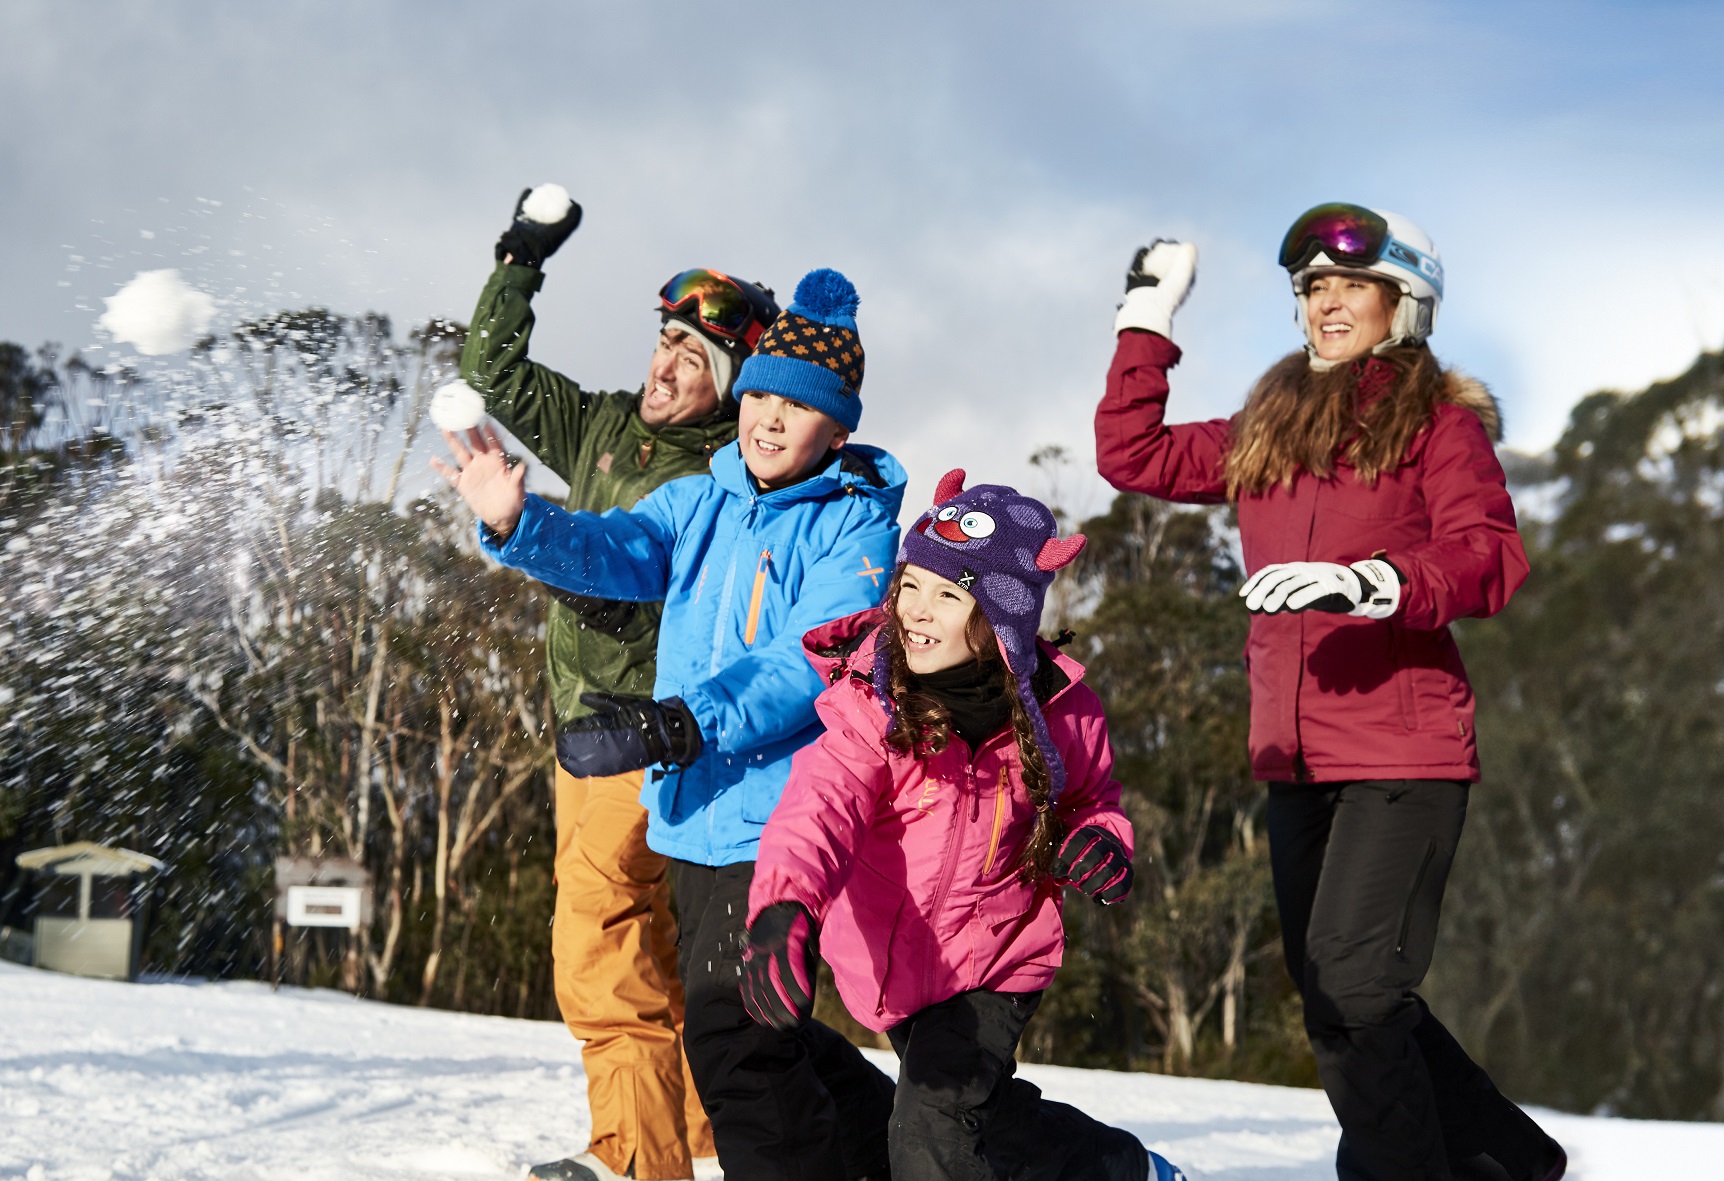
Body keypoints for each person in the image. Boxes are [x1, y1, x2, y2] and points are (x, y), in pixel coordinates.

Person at [1092, 206, 1564, 1181]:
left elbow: (1489, 556)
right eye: (1313, 288)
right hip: (1293, 756)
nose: (1327, 303)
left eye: (1352, 285)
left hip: (1405, 753)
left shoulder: (1438, 428)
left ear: (1406, 302)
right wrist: (1148, 316)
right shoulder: (1270, 430)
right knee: (1336, 993)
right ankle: (1512, 1157)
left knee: (1356, 985)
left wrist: (1374, 581)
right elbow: (1132, 455)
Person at [434, 267, 903, 1181]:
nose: (769, 419)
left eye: (796, 406)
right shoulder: (701, 500)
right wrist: (520, 521)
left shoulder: (854, 530)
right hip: (694, 818)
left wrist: (683, 723)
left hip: (784, 822)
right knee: (755, 1029)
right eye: (760, 395)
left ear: (838, 428)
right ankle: (901, 1148)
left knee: (738, 1047)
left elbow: (810, 659)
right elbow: (619, 548)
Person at [448, 187, 783, 1181]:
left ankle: (638, 1157)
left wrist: (524, 527)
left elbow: (625, 574)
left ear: (729, 388)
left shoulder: (717, 478)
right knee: (648, 939)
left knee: (599, 933)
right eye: (667, 342)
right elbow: (491, 370)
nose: (666, 366)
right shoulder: (600, 422)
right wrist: (520, 259)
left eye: (695, 359)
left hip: (642, 737)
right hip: (580, 731)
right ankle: (706, 1128)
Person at [740, 470, 1183, 1181]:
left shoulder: (1061, 712)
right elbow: (817, 808)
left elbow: (1093, 798)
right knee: (984, 1120)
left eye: (948, 594)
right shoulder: (873, 704)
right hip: (894, 963)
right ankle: (1121, 1167)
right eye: (910, 584)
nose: (916, 609)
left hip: (998, 958)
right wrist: (785, 905)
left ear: (1002, 618)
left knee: (935, 1132)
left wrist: (1101, 840)